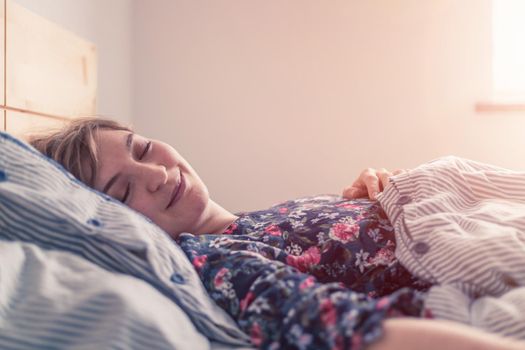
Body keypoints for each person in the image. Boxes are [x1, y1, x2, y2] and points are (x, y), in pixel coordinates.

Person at [29, 117, 525, 350]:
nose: (155, 173)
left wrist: (380, 195)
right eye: (121, 192)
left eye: (141, 148)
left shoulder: (255, 219)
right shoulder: (215, 263)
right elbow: (348, 331)